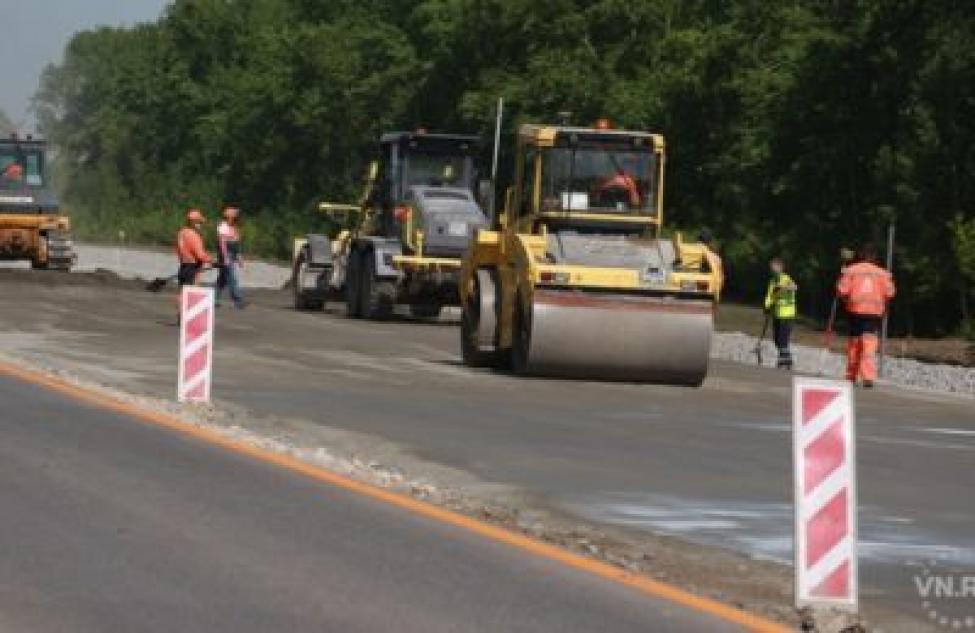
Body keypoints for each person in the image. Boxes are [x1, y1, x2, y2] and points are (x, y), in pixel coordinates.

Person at [835, 243, 896, 388]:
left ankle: (851, 375)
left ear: (860, 256)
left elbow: (842, 291)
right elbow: (890, 292)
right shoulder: (883, 273)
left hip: (855, 311)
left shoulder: (851, 271)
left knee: (854, 343)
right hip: (874, 313)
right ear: (874, 257)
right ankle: (868, 377)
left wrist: (840, 279)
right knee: (869, 343)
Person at [764, 257, 798, 369]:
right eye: (771, 267)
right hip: (777, 314)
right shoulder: (772, 281)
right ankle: (787, 360)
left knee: (783, 339)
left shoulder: (785, 278)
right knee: (777, 339)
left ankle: (783, 362)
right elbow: (770, 295)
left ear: (780, 268)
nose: (773, 269)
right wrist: (767, 306)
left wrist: (785, 287)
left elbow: (794, 287)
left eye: (775, 267)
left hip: (787, 314)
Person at [216, 206, 245, 309]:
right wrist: (225, 258)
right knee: (231, 278)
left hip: (232, 253)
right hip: (226, 254)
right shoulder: (223, 226)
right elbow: (222, 243)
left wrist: (239, 257)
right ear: (229, 217)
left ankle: (213, 299)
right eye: (235, 215)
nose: (237, 216)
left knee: (222, 279)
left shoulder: (234, 227)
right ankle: (238, 301)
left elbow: (236, 244)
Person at [176, 208, 212, 289]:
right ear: (194, 222)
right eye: (200, 223)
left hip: (183, 266)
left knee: (183, 293)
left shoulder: (182, 232)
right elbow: (200, 255)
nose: (201, 225)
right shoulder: (194, 236)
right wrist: (210, 259)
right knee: (192, 293)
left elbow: (179, 250)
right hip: (193, 268)